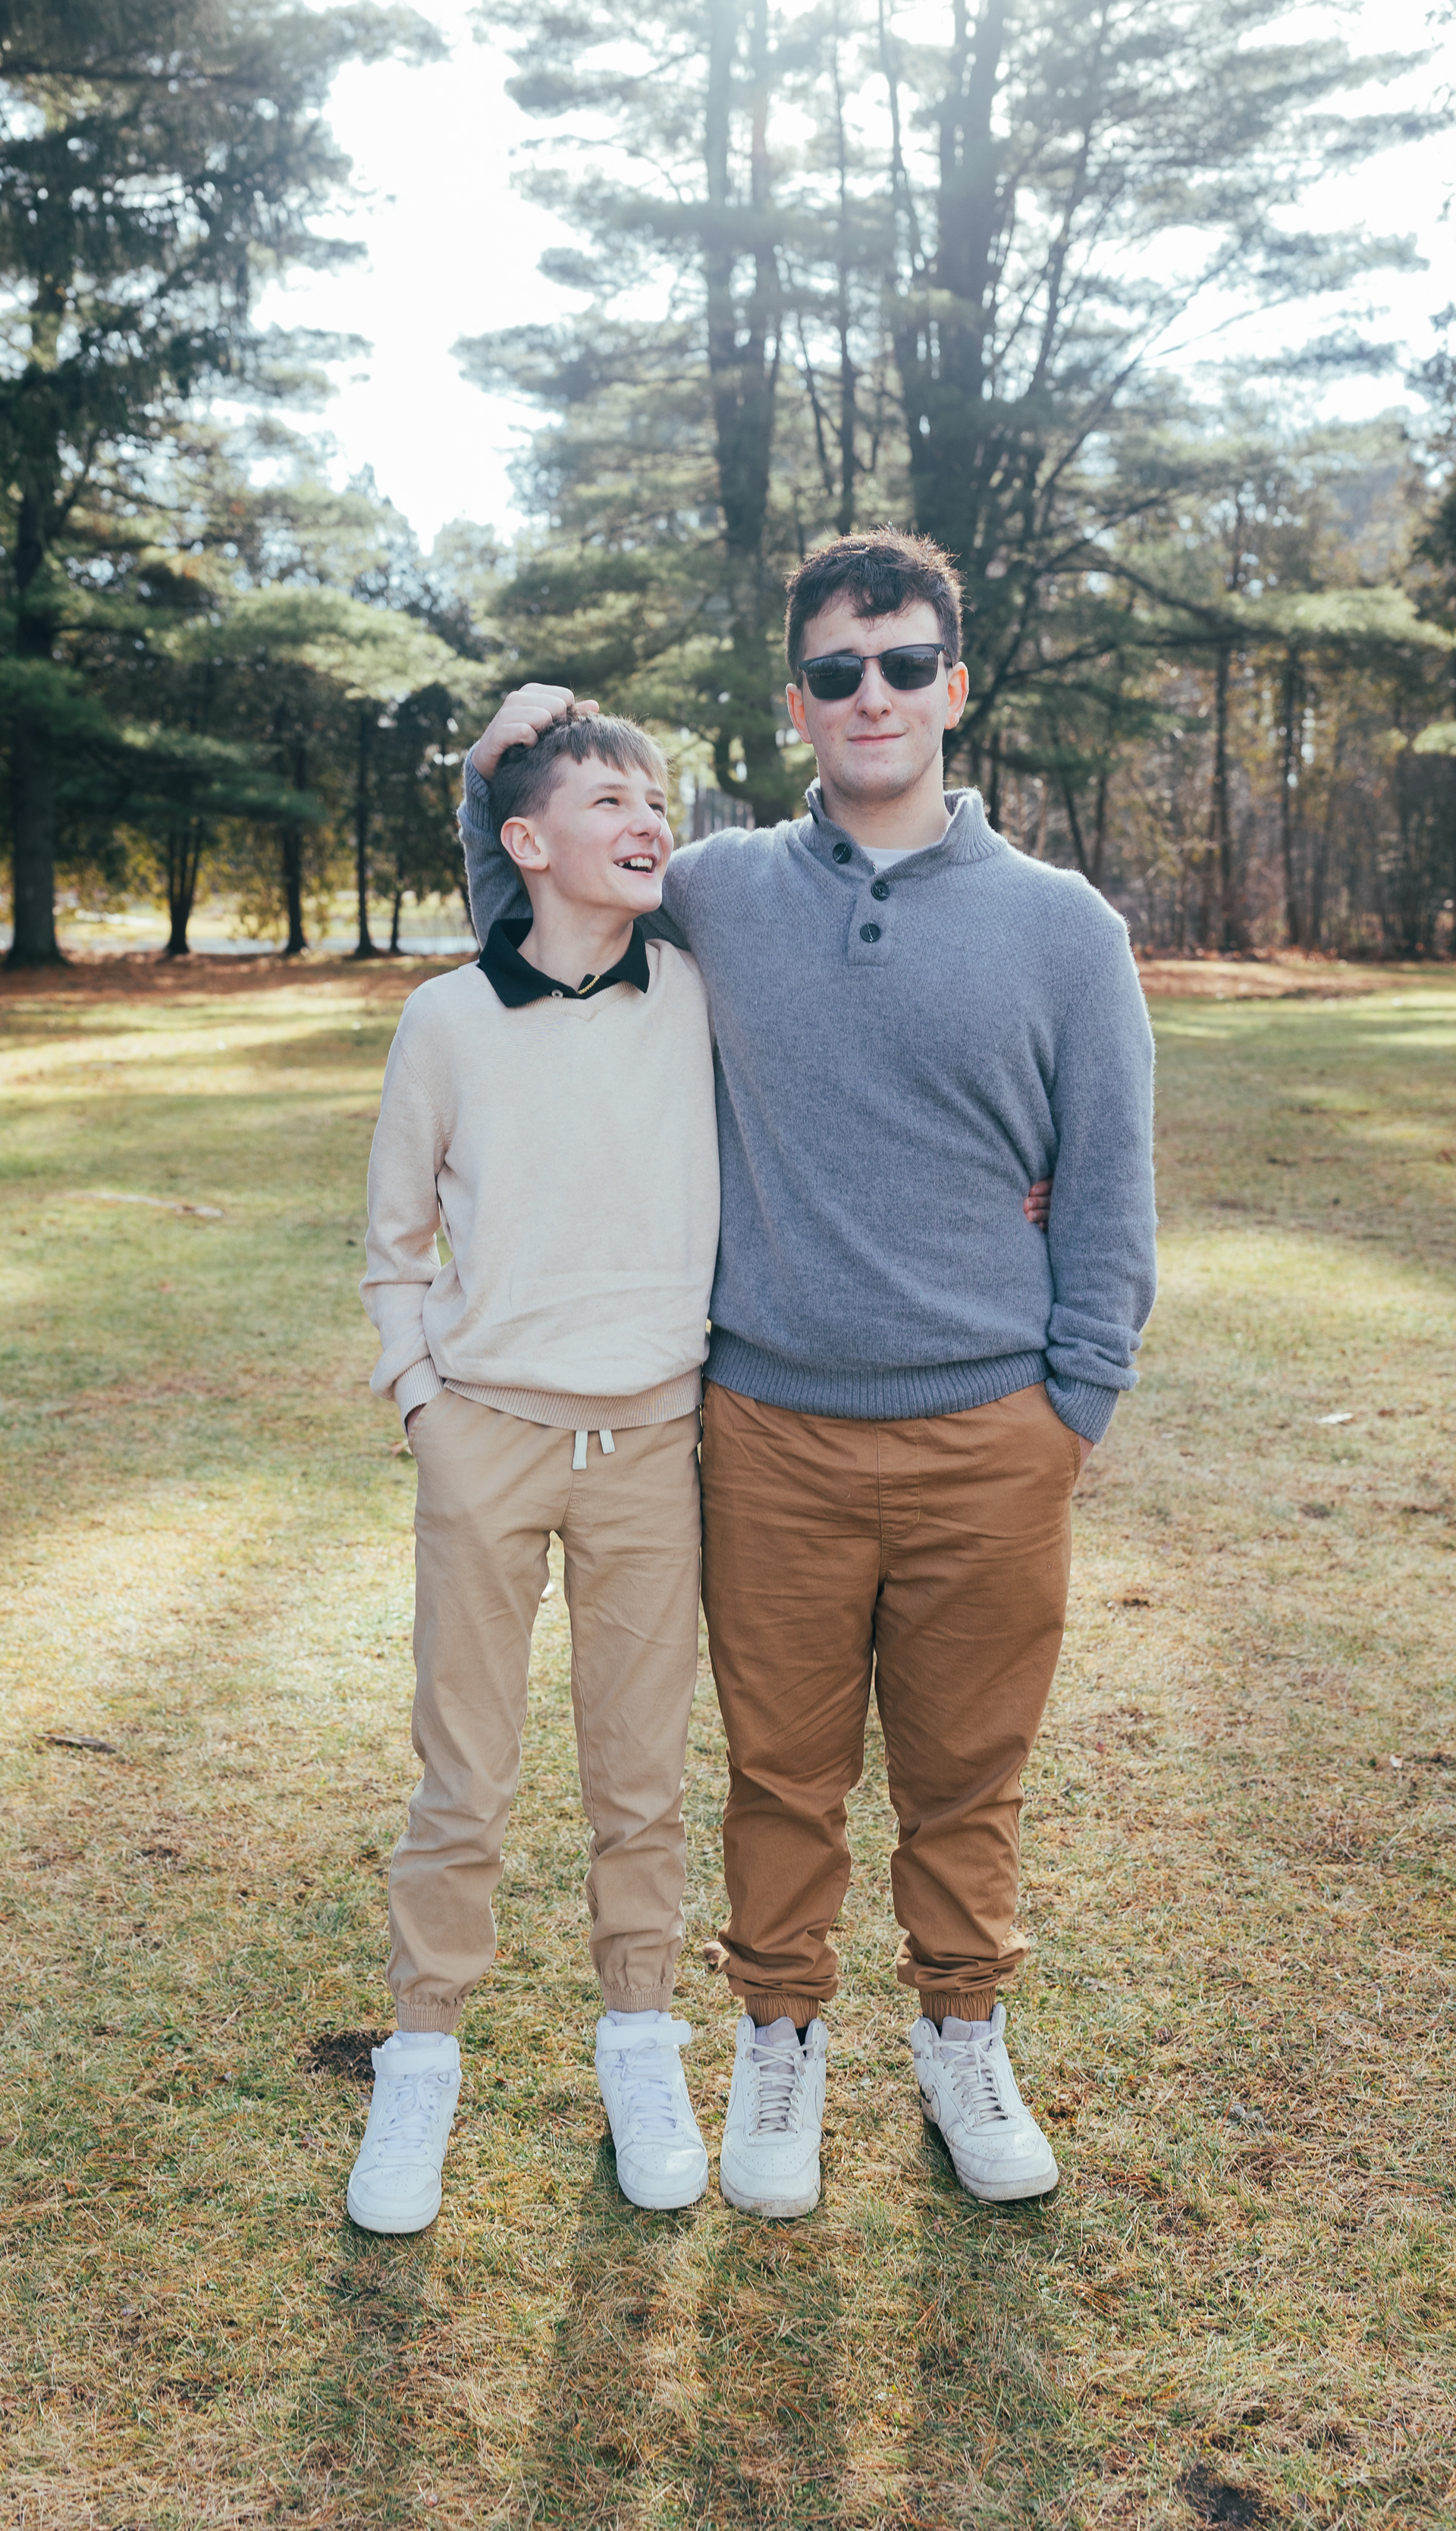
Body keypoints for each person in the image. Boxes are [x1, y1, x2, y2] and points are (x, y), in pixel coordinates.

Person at [462, 528, 1157, 2221]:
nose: (873, 695)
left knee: (966, 1776)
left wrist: (1069, 1410)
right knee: (782, 1774)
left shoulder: (1064, 928)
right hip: (768, 1430)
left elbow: (1112, 1190)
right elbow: (536, 916)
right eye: (839, 670)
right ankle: (779, 2040)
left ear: (953, 685)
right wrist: (498, 766)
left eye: (905, 663)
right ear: (799, 703)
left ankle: (963, 2034)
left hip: (993, 1435)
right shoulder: (717, 893)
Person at [350, 710, 721, 2232]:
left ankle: (642, 2044)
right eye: (609, 799)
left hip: (655, 1446)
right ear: (524, 842)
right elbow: (393, 1244)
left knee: (642, 1780)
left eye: (659, 799)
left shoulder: (695, 991)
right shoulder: (446, 1018)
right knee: (466, 1782)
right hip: (486, 1440)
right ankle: (420, 2059)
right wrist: (424, 1405)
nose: (647, 820)